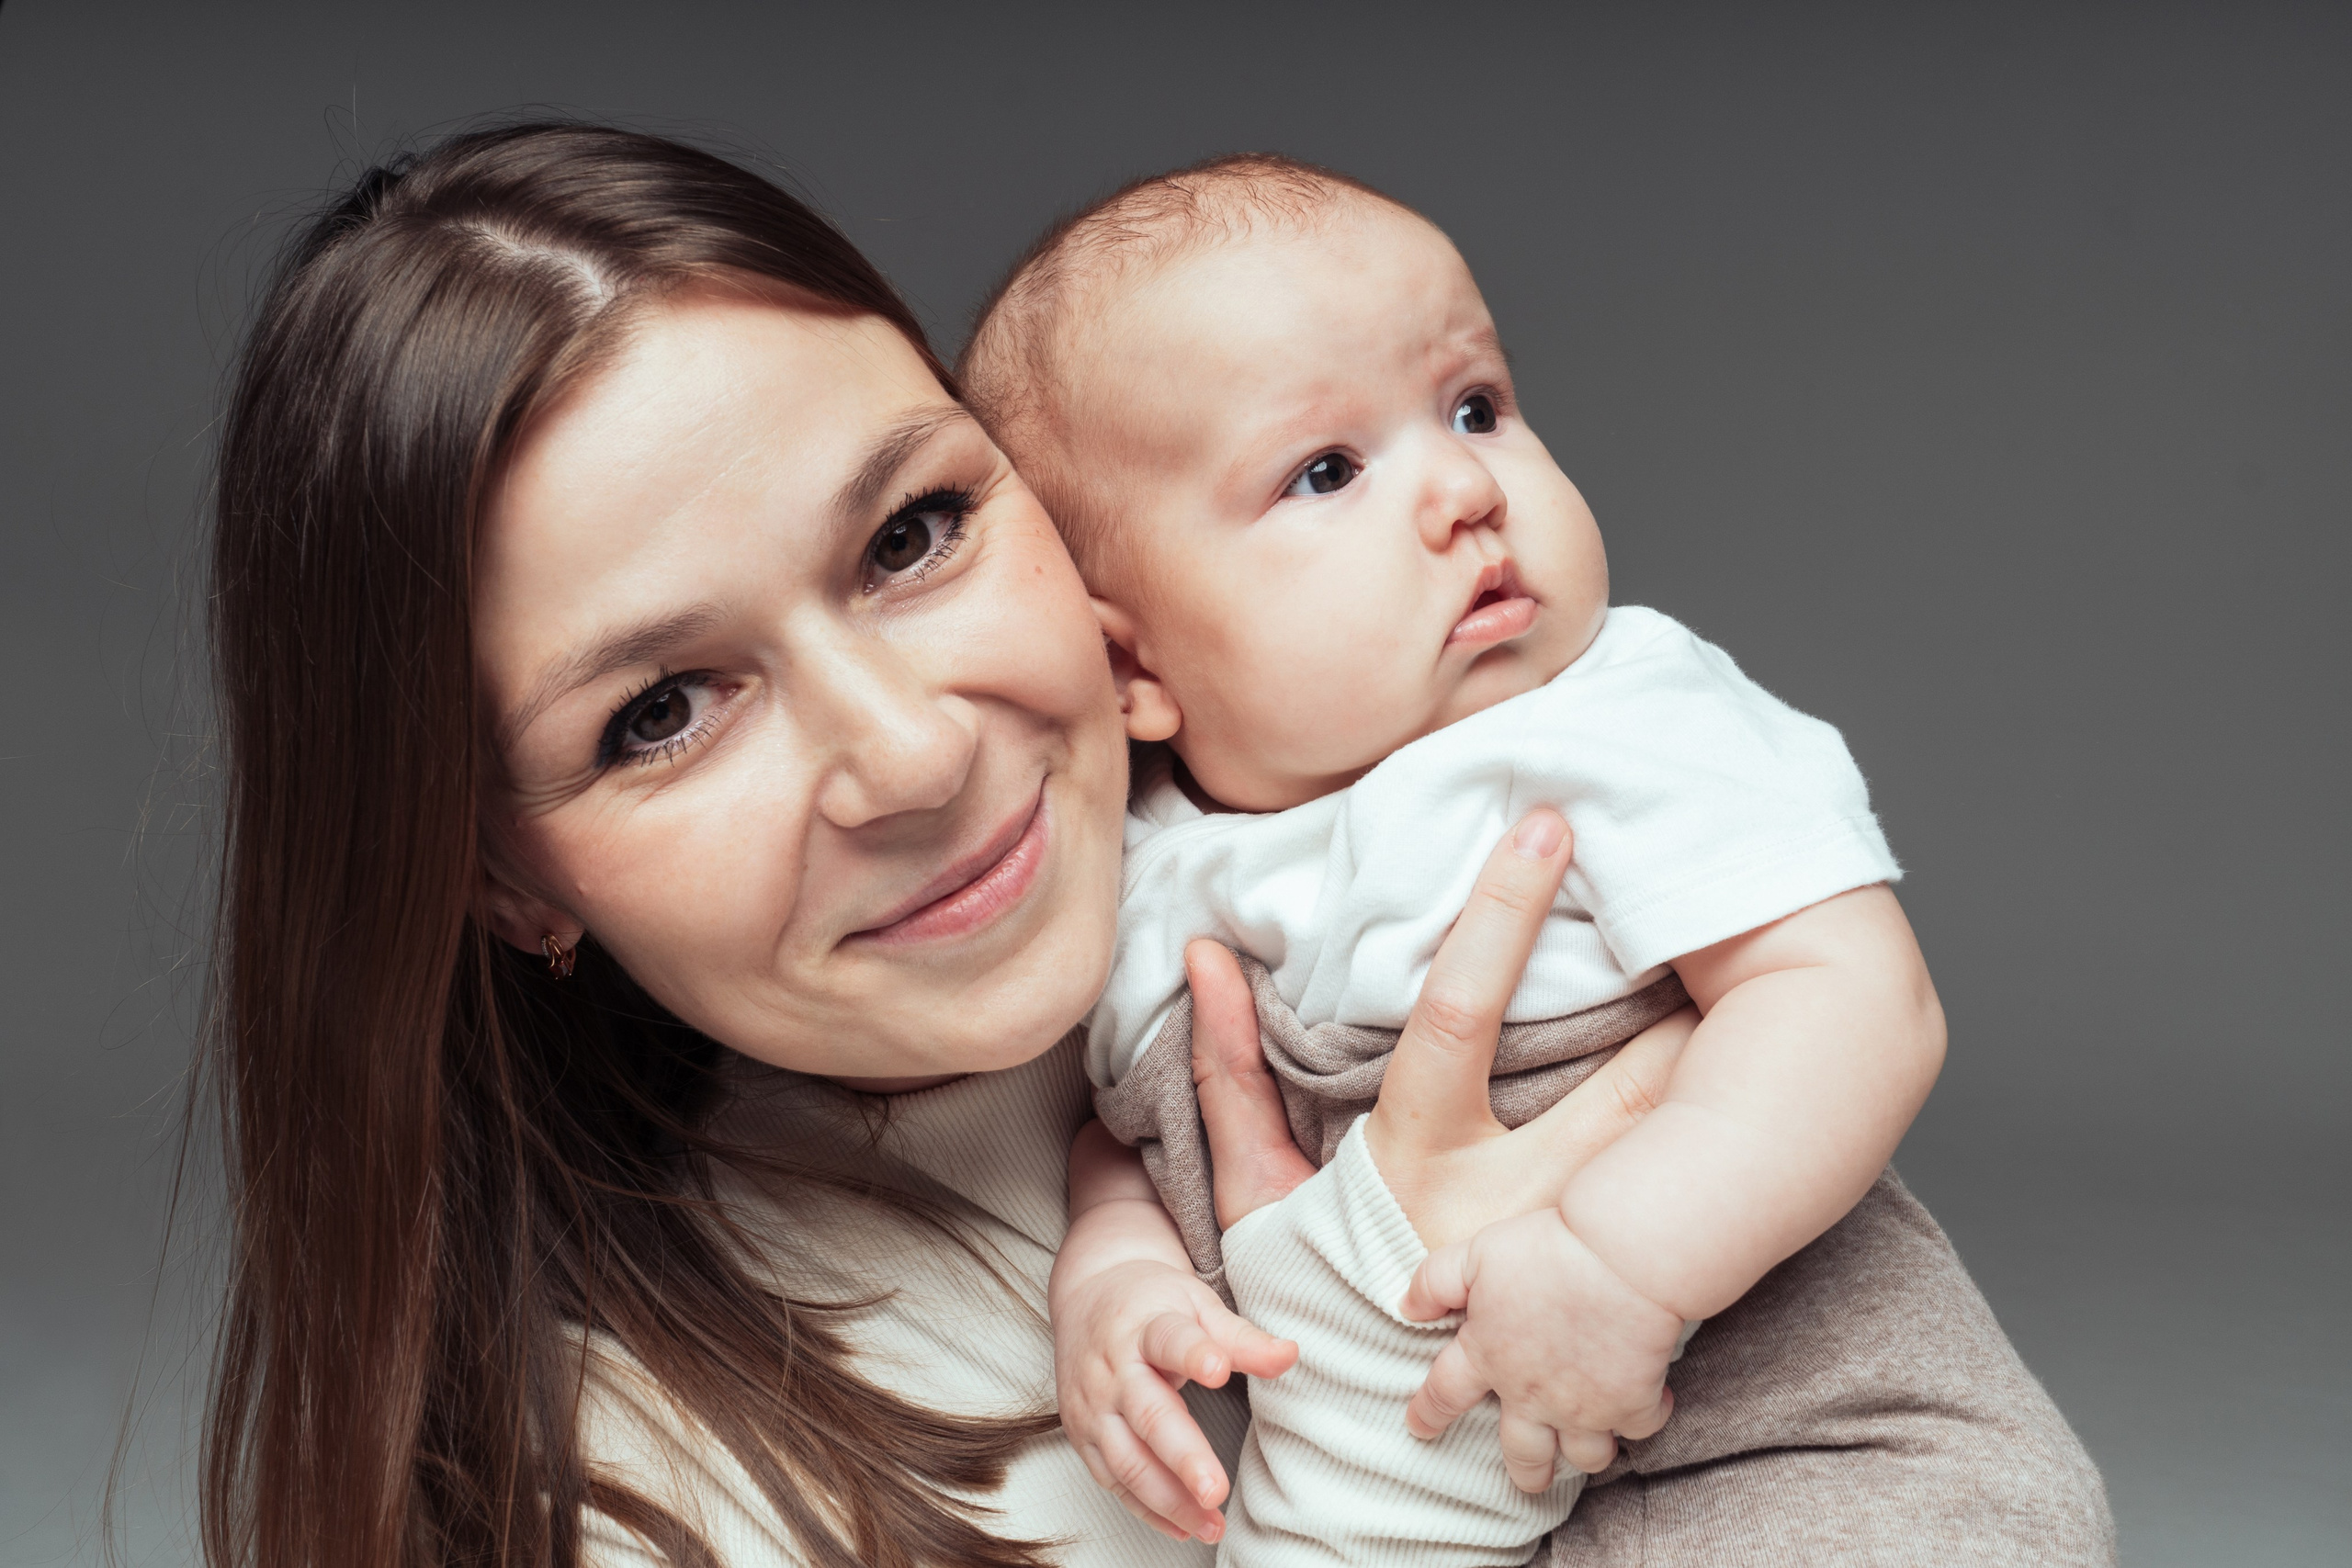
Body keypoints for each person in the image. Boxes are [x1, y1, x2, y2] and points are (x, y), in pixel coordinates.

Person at [197, 121, 2109, 1568]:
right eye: (656, 711)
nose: (911, 751)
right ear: (505, 876)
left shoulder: (1376, 826)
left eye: (911, 533)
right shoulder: (650, 1488)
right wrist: (1365, 1402)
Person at [960, 155, 2116, 1565]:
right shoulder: (1146, 869)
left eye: (1476, 407)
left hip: (1810, 1448)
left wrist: (1622, 1259)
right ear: (1130, 663)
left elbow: (1853, 995)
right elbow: (1121, 1143)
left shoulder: (1622, 714)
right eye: (1326, 471)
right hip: (1449, 1508)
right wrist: (1114, 1278)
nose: (1462, 486)